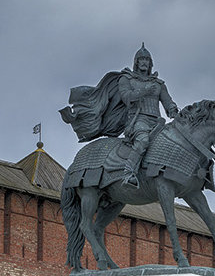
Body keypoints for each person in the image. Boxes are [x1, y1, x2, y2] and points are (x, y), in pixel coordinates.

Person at [60, 43, 178, 187]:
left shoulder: (159, 84)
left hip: (157, 122)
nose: (144, 63)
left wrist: (173, 109)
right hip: (137, 121)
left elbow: (168, 102)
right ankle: (129, 173)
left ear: (150, 63)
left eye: (147, 60)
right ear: (136, 62)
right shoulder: (127, 79)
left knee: (173, 142)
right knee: (142, 141)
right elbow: (126, 97)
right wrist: (144, 91)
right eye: (141, 59)